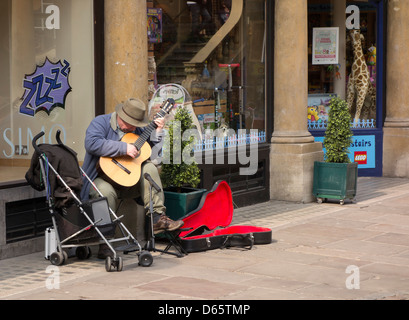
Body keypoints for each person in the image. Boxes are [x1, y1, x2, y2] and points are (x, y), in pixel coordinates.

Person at [80, 97, 184, 259]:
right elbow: (92, 143)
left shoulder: (138, 131)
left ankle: (157, 218)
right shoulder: (100, 122)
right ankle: (105, 242)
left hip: (130, 183)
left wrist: (158, 133)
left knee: (150, 167)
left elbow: (155, 157)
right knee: (105, 192)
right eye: (132, 124)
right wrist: (123, 148)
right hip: (100, 178)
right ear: (122, 117)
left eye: (137, 124)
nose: (135, 128)